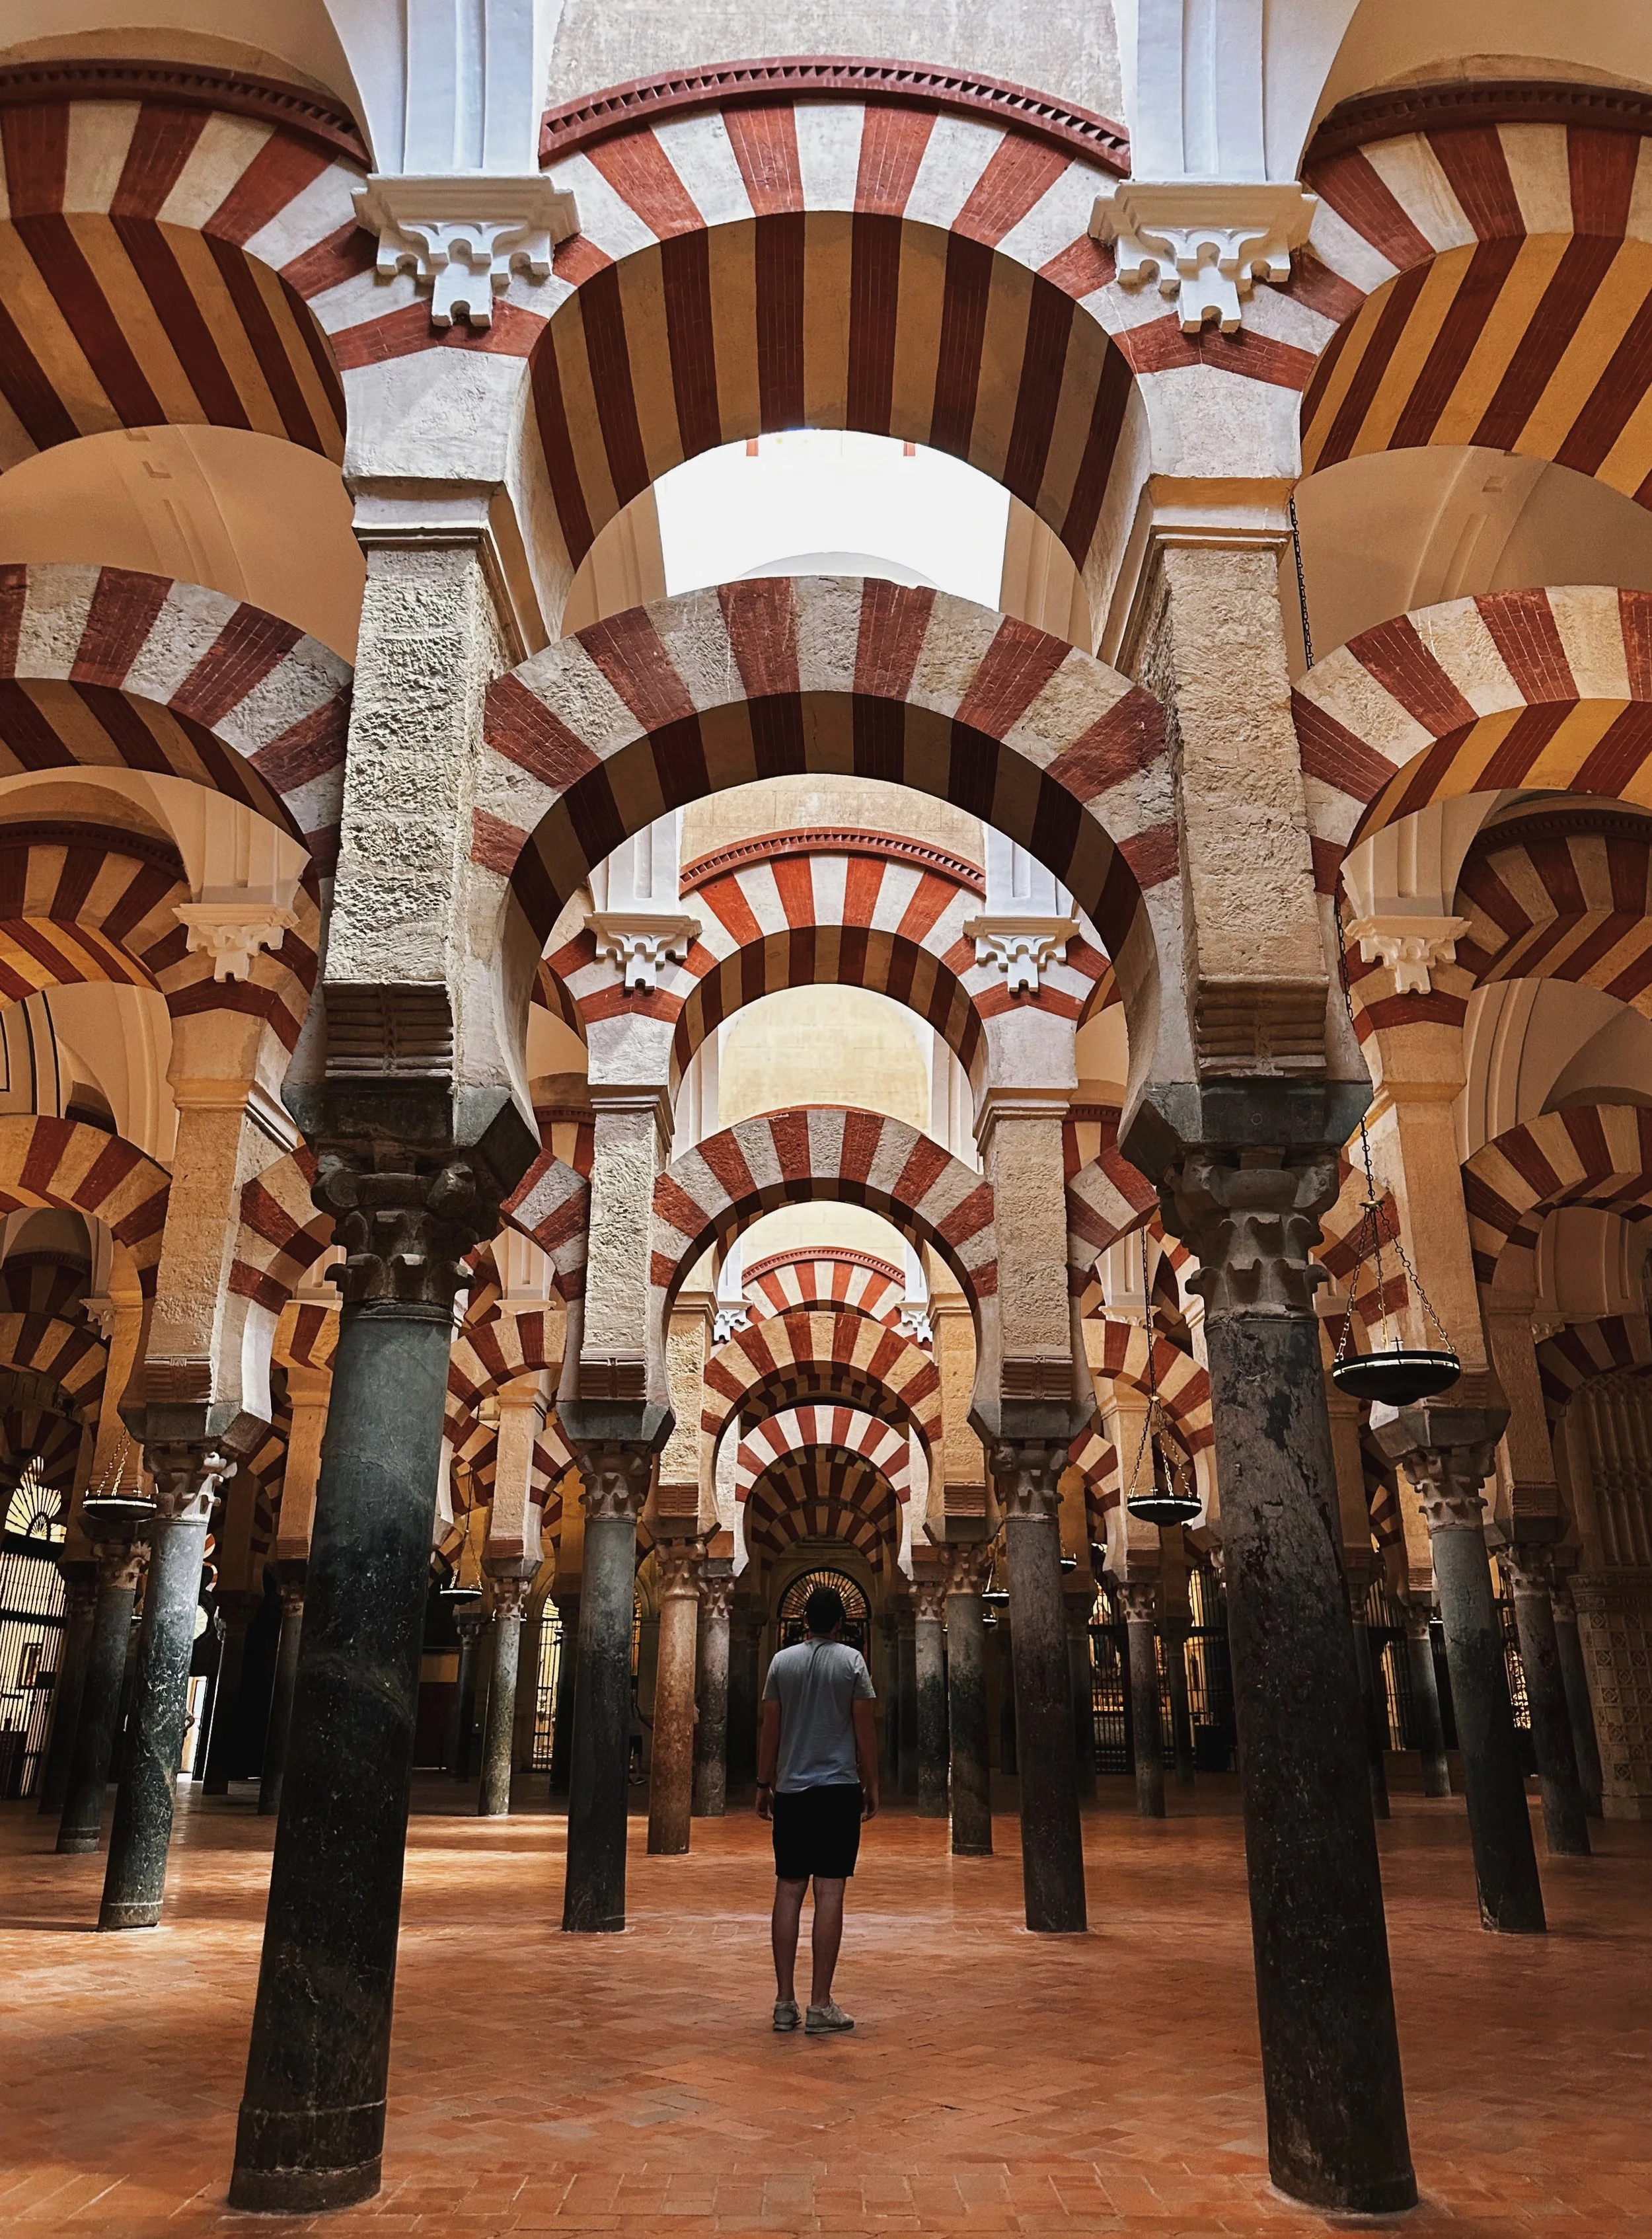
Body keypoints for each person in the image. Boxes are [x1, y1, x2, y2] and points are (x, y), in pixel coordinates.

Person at [757, 1583, 879, 2034]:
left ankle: (784, 2001)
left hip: (790, 1792)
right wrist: (874, 1782)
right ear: (841, 1623)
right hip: (837, 1792)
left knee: (788, 1891)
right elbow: (865, 1729)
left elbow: (771, 1728)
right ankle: (820, 2003)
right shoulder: (853, 1662)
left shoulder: (780, 1663)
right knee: (830, 1892)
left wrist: (762, 1783)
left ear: (804, 1620)